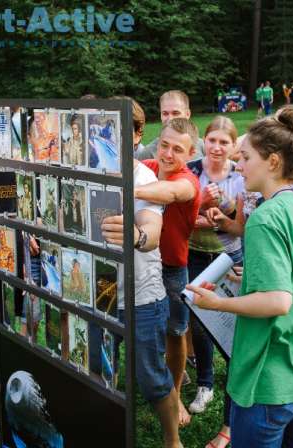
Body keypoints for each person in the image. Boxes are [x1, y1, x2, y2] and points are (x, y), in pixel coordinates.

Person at [187, 106, 293, 447]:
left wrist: (219, 302)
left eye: (246, 157)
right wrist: (249, 278)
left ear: (273, 161)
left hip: (266, 378)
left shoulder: (266, 218)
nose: (238, 165)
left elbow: (278, 300)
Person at [100, 99, 185, 447]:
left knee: (152, 379)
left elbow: (152, 229)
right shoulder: (86, 170)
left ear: (137, 136)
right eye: (105, 131)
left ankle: (172, 440)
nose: (111, 138)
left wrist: (137, 236)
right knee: (101, 369)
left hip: (141, 296)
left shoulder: (143, 177)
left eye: (121, 132)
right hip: (99, 291)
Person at [135, 117, 201, 427]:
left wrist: (128, 187)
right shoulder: (146, 165)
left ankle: (174, 395)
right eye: (164, 145)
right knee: (149, 331)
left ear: (190, 154)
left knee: (176, 334)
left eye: (178, 149)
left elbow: (169, 193)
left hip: (173, 270)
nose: (168, 154)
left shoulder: (189, 180)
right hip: (143, 266)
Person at [186, 116, 245, 446]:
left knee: (231, 322)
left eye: (225, 141)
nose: (218, 147)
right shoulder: (194, 171)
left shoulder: (242, 173)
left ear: (233, 145)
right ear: (204, 142)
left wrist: (219, 208)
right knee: (199, 321)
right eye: (213, 140)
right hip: (196, 255)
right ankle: (205, 383)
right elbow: (183, 220)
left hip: (231, 257)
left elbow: (242, 222)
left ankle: (234, 382)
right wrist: (205, 212)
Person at [135, 90, 205, 161]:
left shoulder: (201, 145)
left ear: (187, 114)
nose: (170, 119)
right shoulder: (149, 153)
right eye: (165, 113)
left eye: (175, 113)